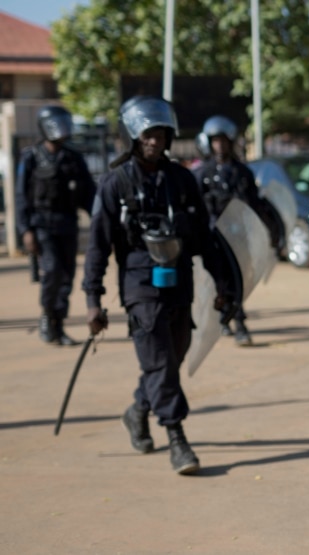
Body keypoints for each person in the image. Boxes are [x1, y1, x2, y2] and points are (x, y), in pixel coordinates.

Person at [81, 96, 230, 475]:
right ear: (133, 136)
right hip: (139, 286)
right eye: (148, 133)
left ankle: (137, 411)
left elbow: (205, 238)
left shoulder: (181, 180)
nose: (155, 140)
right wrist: (93, 300)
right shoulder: (115, 184)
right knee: (160, 361)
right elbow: (97, 245)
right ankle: (177, 437)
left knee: (171, 359)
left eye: (161, 133)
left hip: (179, 283)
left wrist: (224, 283)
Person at [193, 115, 281, 347]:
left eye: (223, 141)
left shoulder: (243, 173)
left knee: (238, 280)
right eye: (215, 141)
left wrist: (272, 231)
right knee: (217, 281)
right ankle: (224, 317)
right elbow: (194, 209)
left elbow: (255, 205)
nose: (220, 146)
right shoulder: (202, 173)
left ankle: (239, 322)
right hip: (212, 238)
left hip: (238, 237)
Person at [14, 105, 96, 346]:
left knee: (67, 276)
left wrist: (101, 222)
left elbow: (89, 194)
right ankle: (48, 318)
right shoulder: (31, 157)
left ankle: (58, 324)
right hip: (42, 226)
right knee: (52, 271)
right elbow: (21, 197)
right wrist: (25, 230)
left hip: (67, 225)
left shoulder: (73, 158)